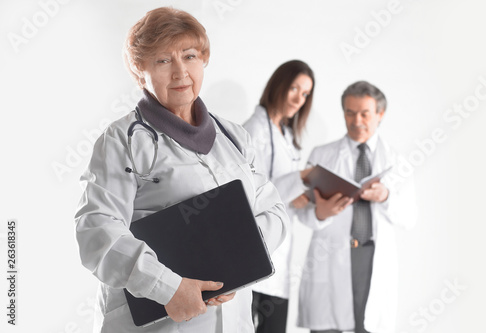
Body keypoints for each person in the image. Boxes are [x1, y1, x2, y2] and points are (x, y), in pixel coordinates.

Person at [74, 7, 288, 333]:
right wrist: (168, 287)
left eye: (189, 56)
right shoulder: (122, 141)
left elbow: (274, 209)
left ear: (203, 60)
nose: (180, 72)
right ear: (138, 70)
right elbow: (97, 232)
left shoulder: (234, 136)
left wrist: (238, 263)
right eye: (162, 60)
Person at [296, 81, 417, 333]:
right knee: (327, 326)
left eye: (364, 113)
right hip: (331, 252)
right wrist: (321, 213)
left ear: (380, 114)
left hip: (372, 255)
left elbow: (409, 218)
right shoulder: (321, 155)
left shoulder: (397, 162)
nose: (356, 120)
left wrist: (385, 196)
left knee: (368, 326)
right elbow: (302, 211)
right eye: (349, 112)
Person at [243, 60, 315, 333]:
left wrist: (308, 199)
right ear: (279, 85)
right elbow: (248, 192)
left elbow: (279, 193)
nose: (299, 98)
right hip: (254, 253)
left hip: (279, 258)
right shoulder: (254, 130)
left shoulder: (286, 136)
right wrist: (300, 179)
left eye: (306, 93)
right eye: (294, 88)